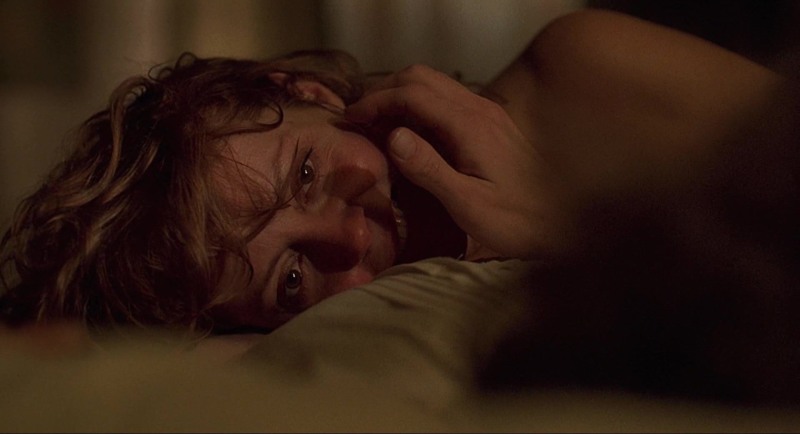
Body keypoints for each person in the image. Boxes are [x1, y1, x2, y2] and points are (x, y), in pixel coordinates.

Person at [0, 7, 796, 359]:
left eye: (306, 174)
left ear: (307, 92)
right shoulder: (359, 338)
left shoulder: (578, 69)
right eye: (291, 278)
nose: (350, 238)